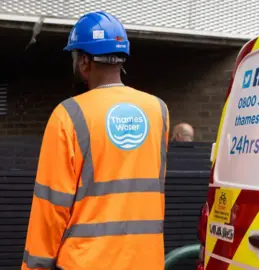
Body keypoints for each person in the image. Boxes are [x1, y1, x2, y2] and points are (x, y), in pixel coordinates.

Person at [22, 11, 169, 270]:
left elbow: (50, 207)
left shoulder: (68, 114)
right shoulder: (158, 111)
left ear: (84, 62)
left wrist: (34, 267)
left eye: (74, 57)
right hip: (146, 262)